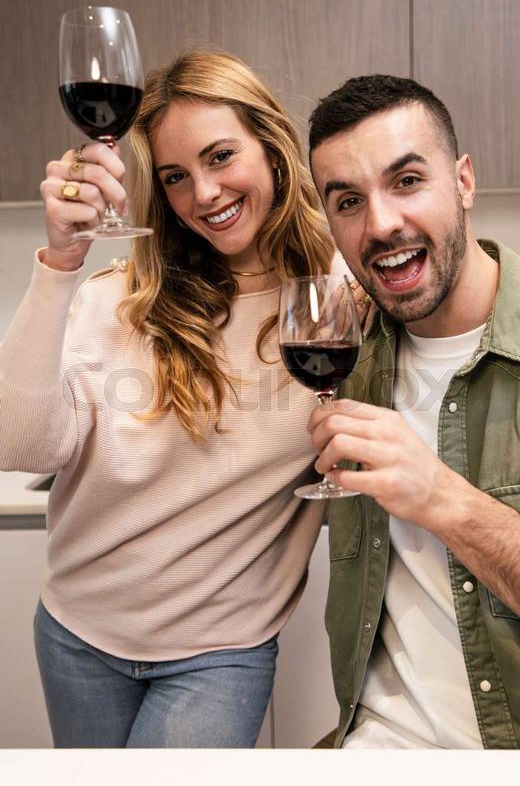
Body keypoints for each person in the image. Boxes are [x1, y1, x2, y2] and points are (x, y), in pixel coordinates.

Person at [0, 50, 364, 748]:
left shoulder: (334, 302)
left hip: (220, 652)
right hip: (78, 637)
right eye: (175, 177)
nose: (203, 193)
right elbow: (19, 446)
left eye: (221, 156)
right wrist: (59, 267)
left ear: (273, 147)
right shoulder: (119, 297)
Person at [306, 74, 520, 749]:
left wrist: (440, 498)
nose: (380, 225)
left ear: (463, 181)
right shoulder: (346, 359)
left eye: (406, 181)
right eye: (349, 201)